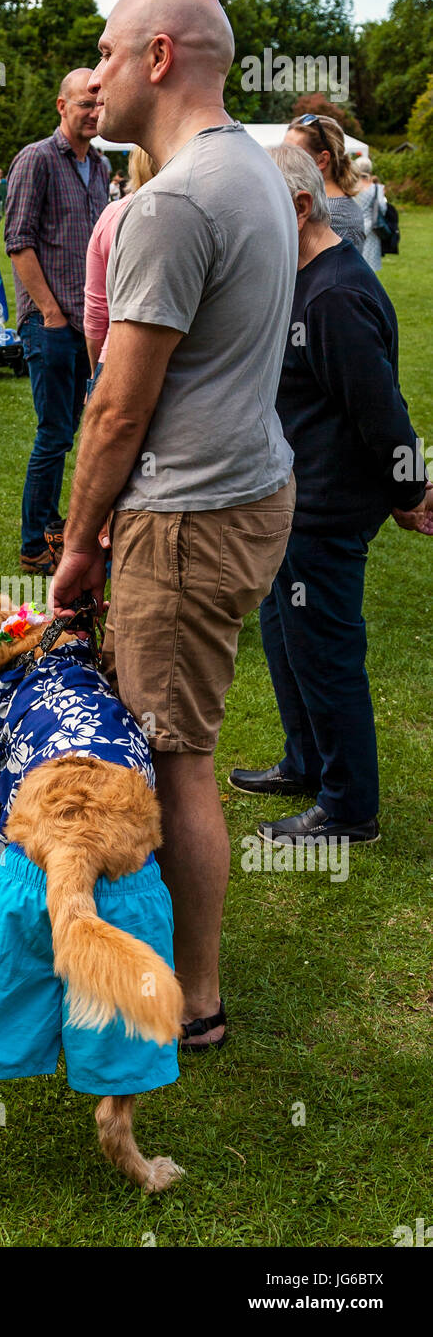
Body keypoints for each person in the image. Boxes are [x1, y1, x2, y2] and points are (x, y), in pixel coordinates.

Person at [52, 0, 299, 1051]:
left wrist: (71, 548)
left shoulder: (171, 200)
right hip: (245, 491)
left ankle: (189, 1001)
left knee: (172, 754)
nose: (92, 75)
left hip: (188, 513)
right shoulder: (251, 167)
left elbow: (114, 408)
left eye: (104, 54)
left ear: (157, 57)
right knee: (171, 739)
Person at [229, 145, 432, 846]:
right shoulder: (301, 277)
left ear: (301, 209)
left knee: (325, 651)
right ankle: (307, 762)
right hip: (290, 502)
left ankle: (349, 810)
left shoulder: (335, 293)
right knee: (286, 638)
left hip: (325, 512)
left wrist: (410, 490)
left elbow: (384, 413)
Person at [5, 68, 110, 575]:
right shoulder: (38, 159)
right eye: (83, 104)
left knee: (76, 429)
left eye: (98, 103)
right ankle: (32, 545)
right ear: (60, 106)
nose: (93, 112)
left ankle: (54, 529)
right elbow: (18, 240)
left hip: (87, 323)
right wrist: (48, 313)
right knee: (53, 434)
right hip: (50, 322)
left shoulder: (103, 166)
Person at [84, 146, 155, 373]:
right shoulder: (199, 215)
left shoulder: (113, 213)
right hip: (184, 368)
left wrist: (97, 372)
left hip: (113, 355)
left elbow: (96, 311)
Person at [284, 114, 364, 252]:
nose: (283, 158)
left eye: (293, 153)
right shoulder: (319, 205)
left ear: (322, 160)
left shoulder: (336, 216)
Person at [354, 155, 388, 273]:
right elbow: (383, 209)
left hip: (354, 227)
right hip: (372, 229)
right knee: (370, 270)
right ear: (370, 170)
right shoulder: (377, 188)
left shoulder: (351, 187)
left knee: (353, 265)